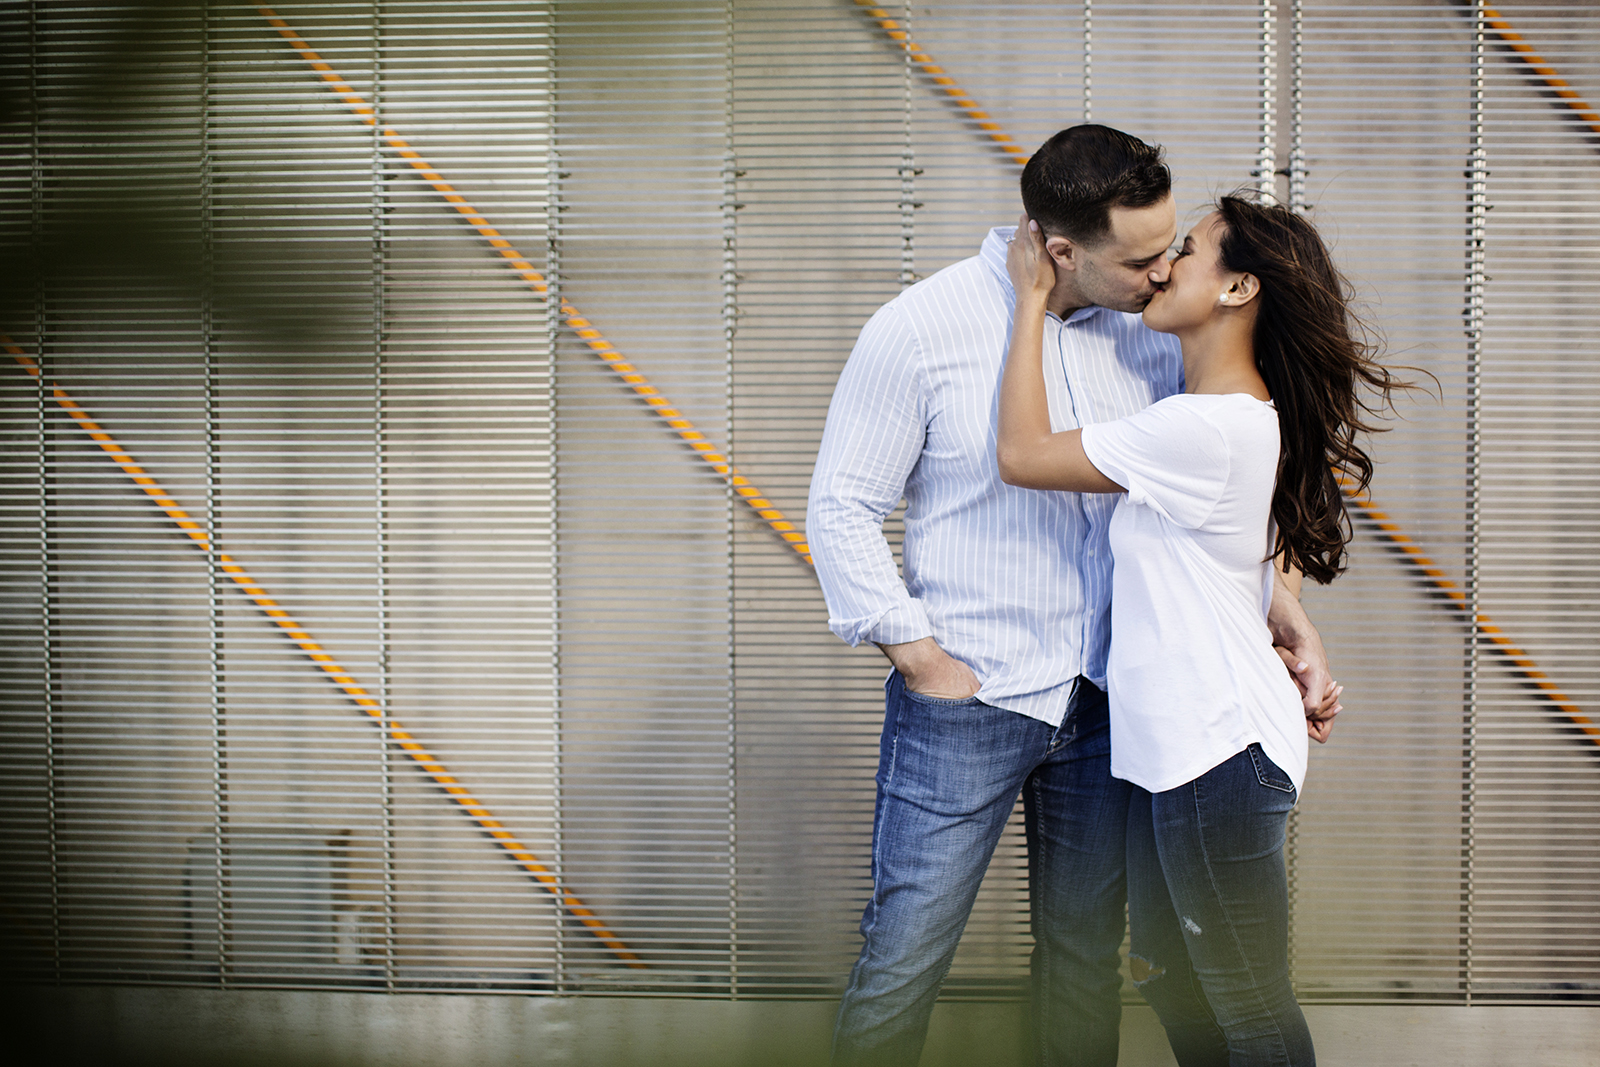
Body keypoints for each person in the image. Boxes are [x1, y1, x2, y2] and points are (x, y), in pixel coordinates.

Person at [807, 125, 1337, 1067]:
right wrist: (920, 659)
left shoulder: (1148, 341)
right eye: (1139, 259)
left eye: (1173, 249)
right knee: (903, 960)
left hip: (1107, 707)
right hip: (970, 700)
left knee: (1085, 963)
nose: (1159, 273)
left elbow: (1248, 464)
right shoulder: (920, 328)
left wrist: (1280, 592)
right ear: (1059, 251)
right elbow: (842, 507)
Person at [997, 193, 1397, 1066]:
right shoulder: (1227, 415)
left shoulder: (1202, 426)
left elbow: (1021, 453)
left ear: (1238, 286)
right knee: (1175, 980)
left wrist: (1030, 297)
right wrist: (1289, 619)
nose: (1164, 266)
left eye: (1188, 248)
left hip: (1217, 747)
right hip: (1186, 747)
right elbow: (1243, 564)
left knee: (1248, 1004)